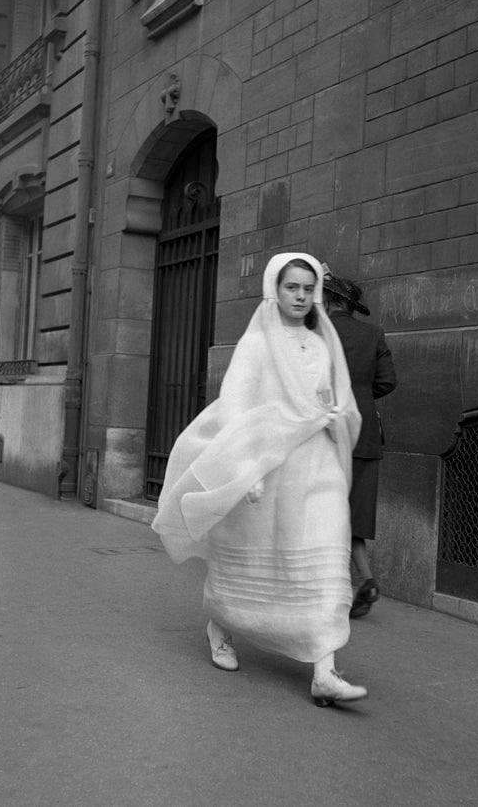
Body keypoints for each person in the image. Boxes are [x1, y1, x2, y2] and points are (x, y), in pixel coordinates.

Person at [153, 252, 369, 707]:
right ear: (276, 288)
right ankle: (220, 627)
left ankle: (324, 670)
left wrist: (337, 418)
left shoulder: (323, 344)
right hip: (268, 465)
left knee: (327, 556)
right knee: (252, 558)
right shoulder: (256, 345)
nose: (301, 296)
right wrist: (243, 467)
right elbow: (235, 406)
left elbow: (335, 398)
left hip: (317, 463)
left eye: (308, 289)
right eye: (292, 287)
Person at [321, 266, 397, 618]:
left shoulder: (317, 331)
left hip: (323, 432)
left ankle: (325, 588)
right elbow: (388, 382)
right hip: (364, 432)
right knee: (352, 514)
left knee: (319, 510)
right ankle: (365, 577)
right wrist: (361, 394)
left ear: (327, 299)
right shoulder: (374, 335)